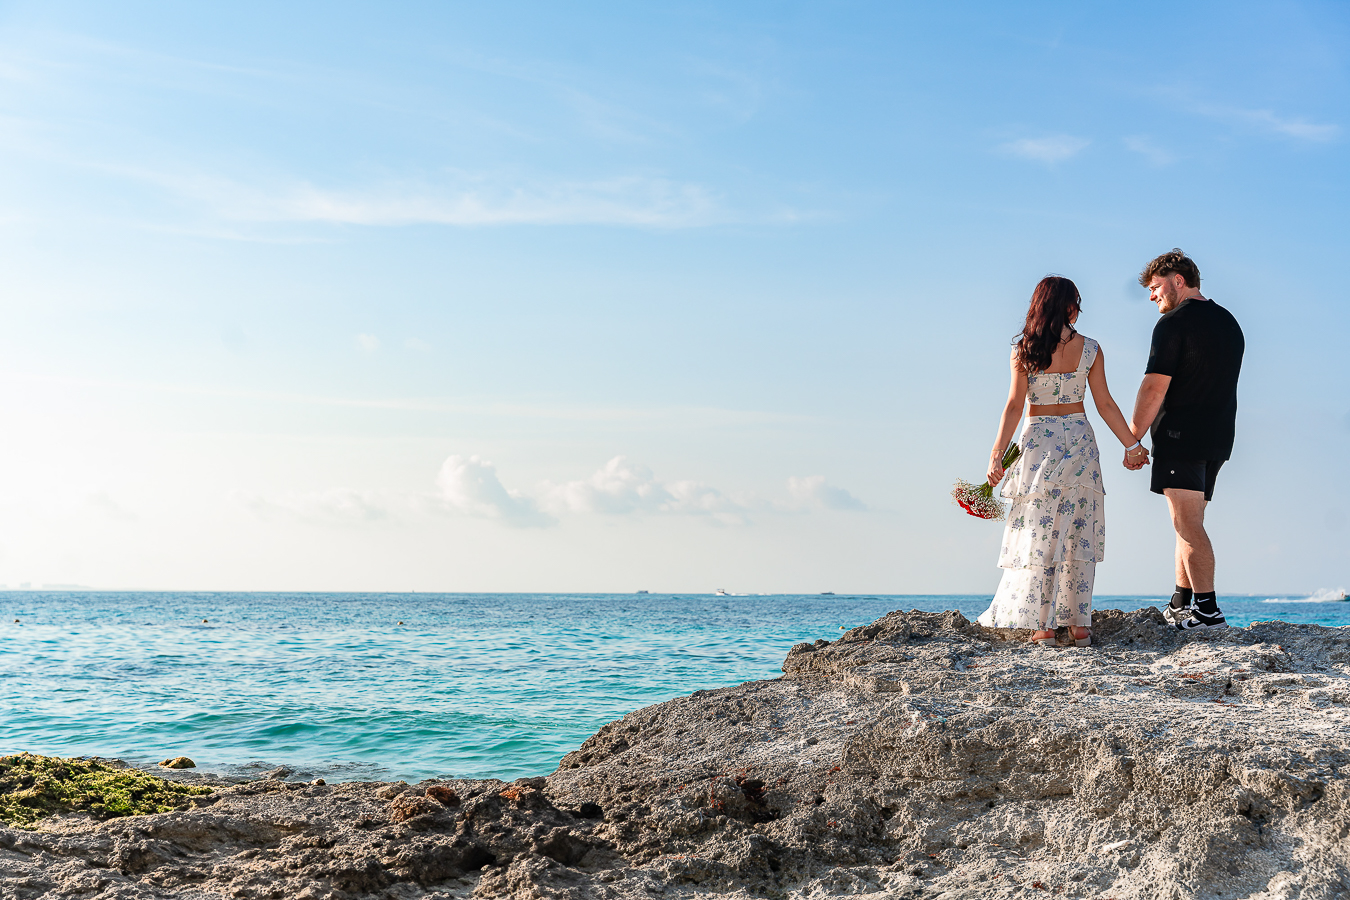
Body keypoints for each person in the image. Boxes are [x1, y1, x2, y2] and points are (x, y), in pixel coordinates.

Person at [978, 276, 1148, 646]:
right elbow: (1104, 404)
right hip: (1079, 442)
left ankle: (1043, 627)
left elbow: (1014, 405)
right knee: (1077, 532)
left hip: (1038, 442)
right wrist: (1132, 445)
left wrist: (996, 454)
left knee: (1041, 533)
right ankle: (1079, 625)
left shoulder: (1023, 349)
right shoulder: (1090, 348)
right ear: (1071, 305)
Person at [1128, 250, 1244, 631]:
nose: (1151, 296)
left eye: (1155, 287)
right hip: (1218, 439)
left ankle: (1208, 612)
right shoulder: (1229, 322)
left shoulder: (1173, 324)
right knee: (1187, 520)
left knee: (1188, 525)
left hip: (1180, 436)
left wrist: (1133, 439)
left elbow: (1153, 387)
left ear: (1178, 280)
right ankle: (1181, 602)